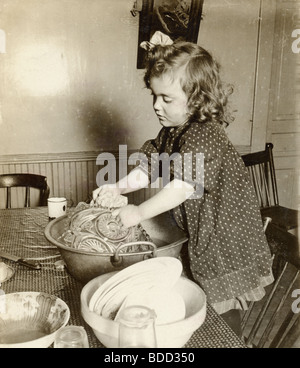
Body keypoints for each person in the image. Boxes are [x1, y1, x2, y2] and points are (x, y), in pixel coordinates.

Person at [92, 31, 274, 335]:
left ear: (197, 100)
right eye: (154, 95)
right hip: (205, 232)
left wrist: (137, 213)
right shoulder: (173, 131)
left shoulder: (203, 134)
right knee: (203, 300)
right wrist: (118, 187)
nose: (156, 105)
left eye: (166, 98)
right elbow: (149, 167)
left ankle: (227, 341)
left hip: (225, 239)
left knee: (222, 308)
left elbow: (183, 186)